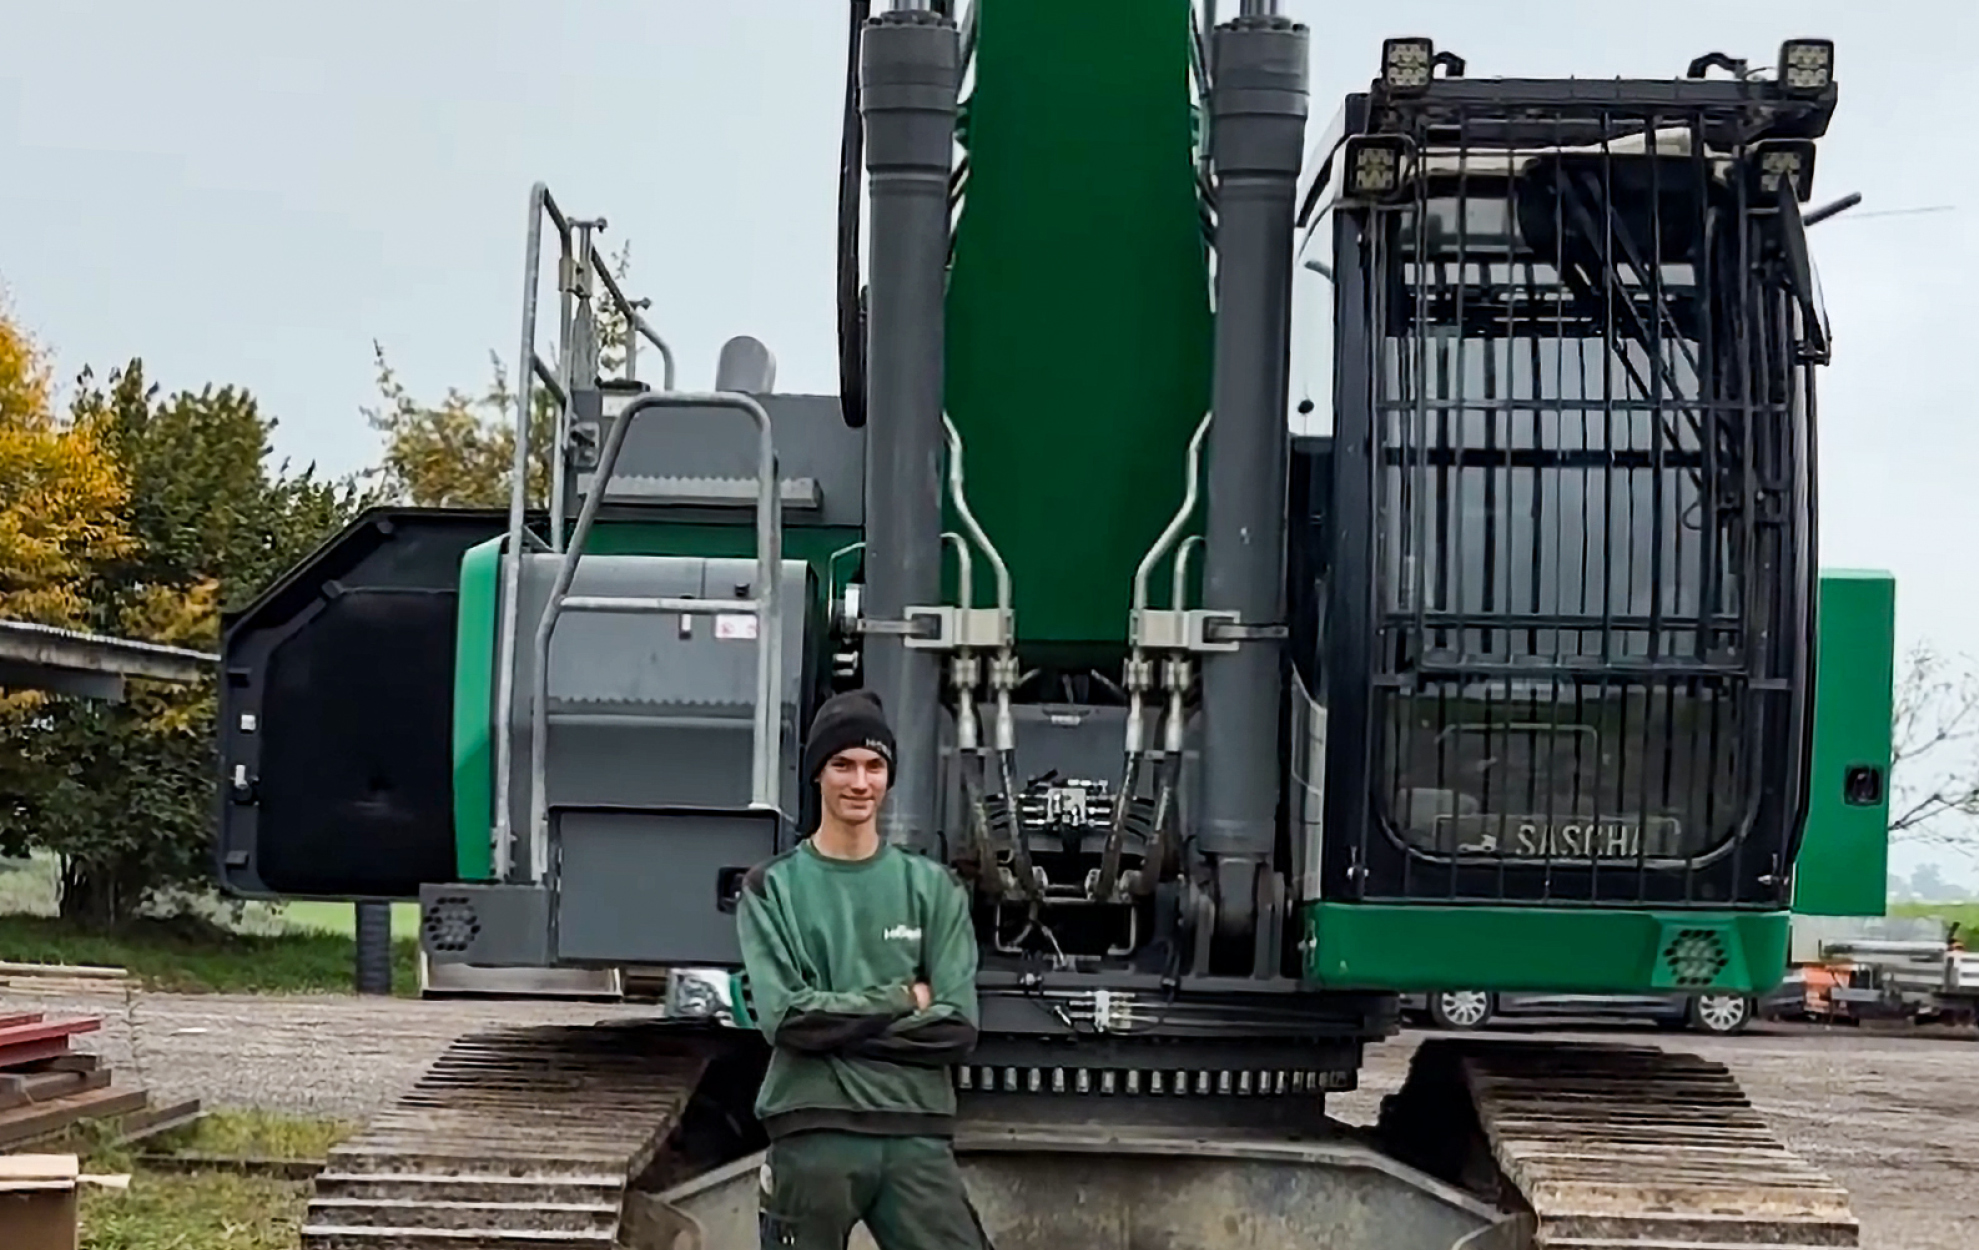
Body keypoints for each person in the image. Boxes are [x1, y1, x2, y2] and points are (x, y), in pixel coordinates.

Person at [736, 689, 989, 1250]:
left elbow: (956, 1028)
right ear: (817, 775)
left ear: (889, 777)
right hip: (812, 1135)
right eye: (843, 765)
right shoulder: (771, 888)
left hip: (916, 1136)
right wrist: (902, 998)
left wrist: (834, 1024)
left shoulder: (933, 889)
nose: (860, 782)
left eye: (874, 767)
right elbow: (788, 1021)